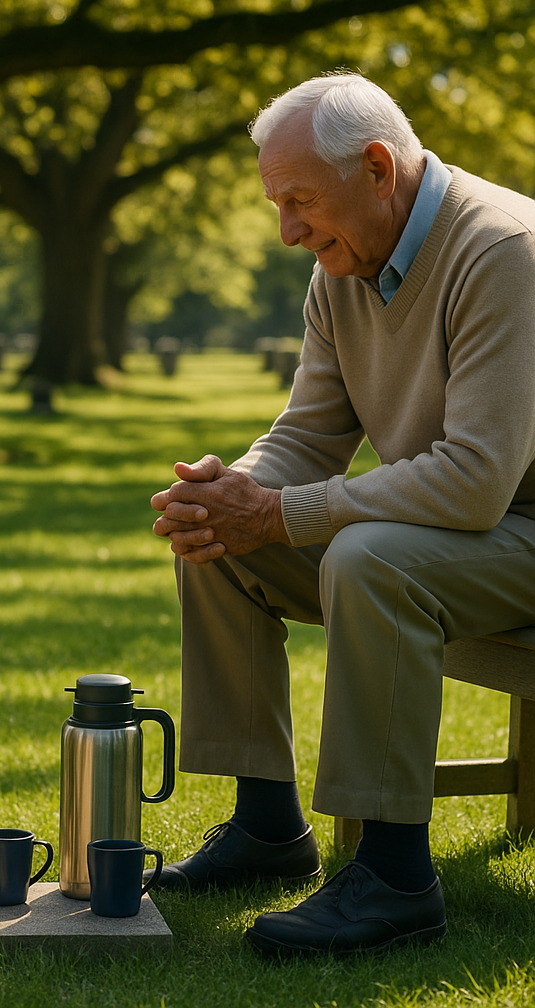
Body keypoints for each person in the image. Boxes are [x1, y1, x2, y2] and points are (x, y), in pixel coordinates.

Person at [149, 73, 535, 956]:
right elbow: (308, 434)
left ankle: (395, 879)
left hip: (518, 528)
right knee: (214, 540)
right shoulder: (347, 265)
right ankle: (266, 828)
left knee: (368, 558)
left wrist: (284, 513)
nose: (288, 230)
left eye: (299, 200)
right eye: (276, 203)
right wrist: (232, 492)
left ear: (376, 168)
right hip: (469, 537)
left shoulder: (501, 248)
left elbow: (477, 478)